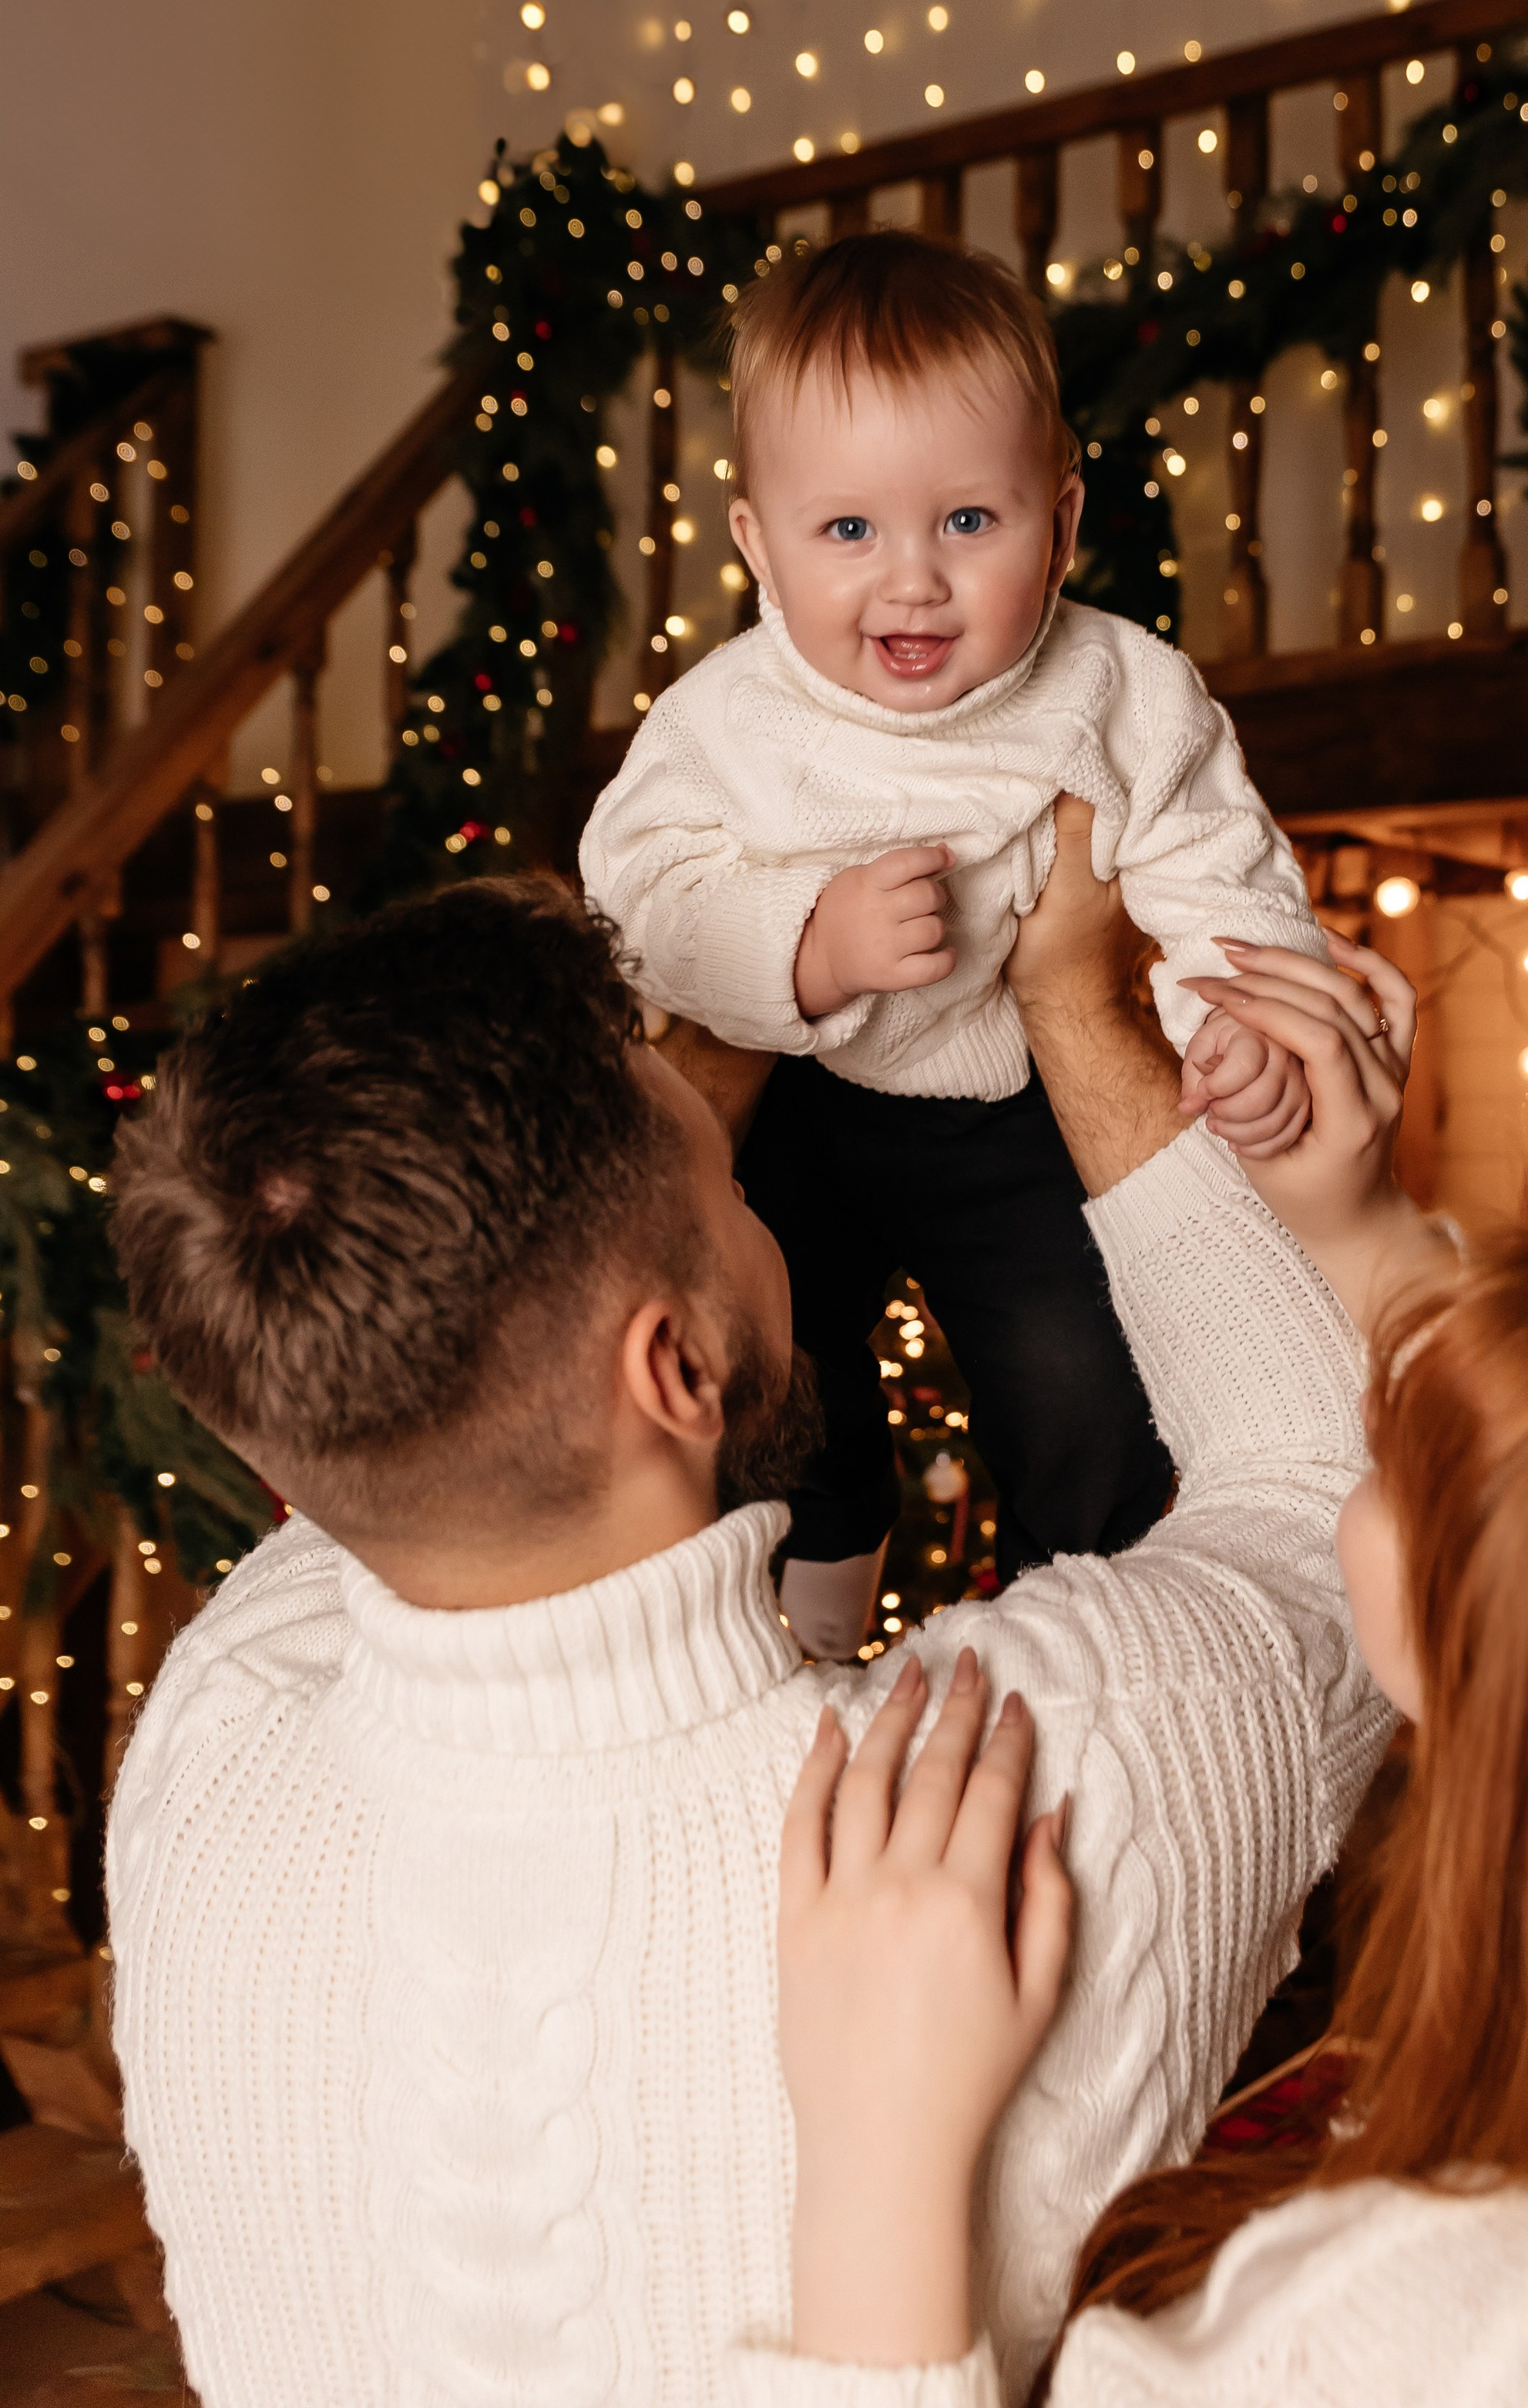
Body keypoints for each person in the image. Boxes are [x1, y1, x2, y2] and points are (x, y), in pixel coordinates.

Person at [104, 816, 1442, 2408]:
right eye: (726, 1188)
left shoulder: (211, 1726)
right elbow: (1306, 1482)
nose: (755, 1200)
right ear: (670, 1370)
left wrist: (752, 988)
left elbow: (383, 1405)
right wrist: (1078, 1000)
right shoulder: (1038, 1774)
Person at [748, 961, 1528, 2408]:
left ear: (1519, 1681)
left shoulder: (1448, 2332)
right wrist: (1355, 1216)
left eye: (1394, 1447)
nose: (1363, 1411)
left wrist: (879, 2155)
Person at [580, 229, 1328, 1655]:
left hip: (1027, 1119)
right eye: (848, 532)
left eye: (969, 524)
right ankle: (812, 1595)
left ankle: (1083, 1629)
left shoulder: (1119, 689)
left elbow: (1212, 859)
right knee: (771, 1373)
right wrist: (803, 944)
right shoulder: (727, 721)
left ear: (1061, 515)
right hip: (807, 1096)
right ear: (757, 544)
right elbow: (643, 892)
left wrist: (1234, 1014)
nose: (911, 583)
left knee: (1084, 1387)